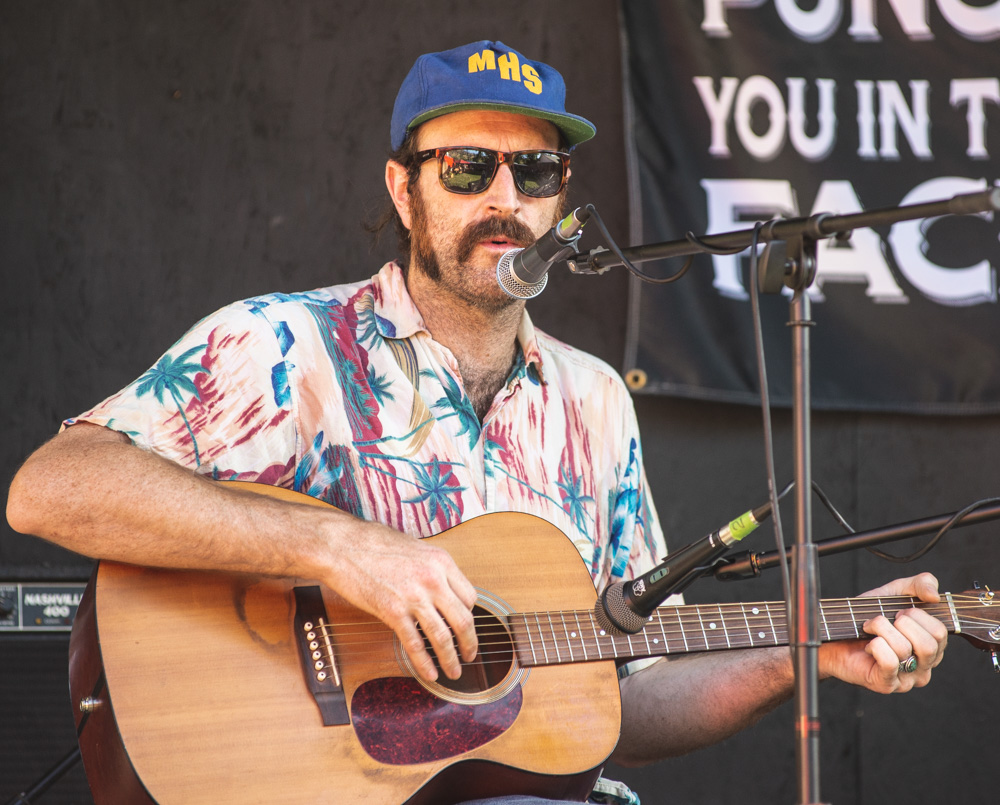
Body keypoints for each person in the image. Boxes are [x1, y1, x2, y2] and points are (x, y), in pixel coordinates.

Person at [6, 41, 947, 804]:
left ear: (562, 202)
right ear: (403, 187)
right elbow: (52, 488)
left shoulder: (593, 402)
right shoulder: (284, 344)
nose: (505, 199)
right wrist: (343, 551)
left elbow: (629, 690)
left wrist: (800, 657)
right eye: (467, 167)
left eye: (534, 170)